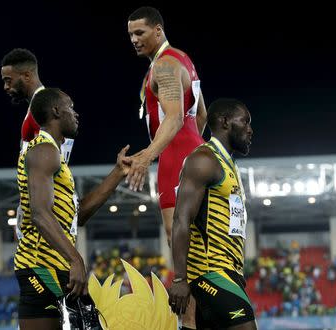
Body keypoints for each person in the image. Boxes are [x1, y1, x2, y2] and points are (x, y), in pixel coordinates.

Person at [15, 87, 130, 330]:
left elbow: (78, 217)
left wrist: (118, 173)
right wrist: (76, 259)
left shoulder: (55, 157)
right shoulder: (43, 150)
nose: (76, 114)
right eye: (71, 107)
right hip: (40, 268)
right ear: (56, 111)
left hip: (55, 267)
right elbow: (40, 213)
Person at [127, 7, 206, 329]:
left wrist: (148, 155)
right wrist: (197, 149)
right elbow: (199, 114)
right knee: (200, 246)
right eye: (130, 34)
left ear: (158, 31)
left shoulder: (164, 65)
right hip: (191, 151)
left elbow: (174, 117)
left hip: (176, 160)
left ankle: (190, 323)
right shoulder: (182, 59)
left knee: (182, 249)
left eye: (140, 33)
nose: (133, 40)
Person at [169, 99, 256, 329]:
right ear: (224, 122)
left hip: (231, 272)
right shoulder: (204, 160)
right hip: (211, 273)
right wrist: (180, 278)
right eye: (245, 122)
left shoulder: (229, 165)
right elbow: (181, 219)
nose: (250, 129)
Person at [0, 48, 74, 161]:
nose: (5, 87)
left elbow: (56, 159)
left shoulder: (44, 109)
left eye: (8, 81)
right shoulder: (39, 106)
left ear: (27, 76)